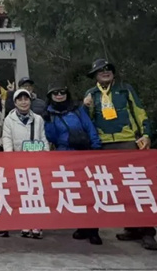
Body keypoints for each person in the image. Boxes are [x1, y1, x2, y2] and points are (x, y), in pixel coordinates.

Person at [82, 58, 157, 250]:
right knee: (111, 188)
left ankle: (147, 232)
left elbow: (140, 112)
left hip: (127, 142)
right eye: (100, 70)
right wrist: (85, 107)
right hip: (103, 145)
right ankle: (130, 227)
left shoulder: (125, 89)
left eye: (108, 69)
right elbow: (86, 122)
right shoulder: (91, 94)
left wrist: (146, 134)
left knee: (136, 186)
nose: (105, 72)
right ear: (95, 75)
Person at [44, 82, 102, 245]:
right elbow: (52, 137)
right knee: (74, 192)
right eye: (55, 93)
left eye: (62, 92)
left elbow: (90, 127)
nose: (59, 95)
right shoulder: (49, 115)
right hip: (65, 155)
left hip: (84, 153)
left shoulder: (77, 109)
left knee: (89, 191)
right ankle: (81, 226)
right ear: (50, 96)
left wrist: (96, 147)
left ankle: (93, 230)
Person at [2, 88, 49, 239]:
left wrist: (45, 155)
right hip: (18, 161)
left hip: (35, 160)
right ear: (15, 102)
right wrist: (10, 157)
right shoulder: (9, 120)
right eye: (20, 100)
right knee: (22, 192)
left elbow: (43, 138)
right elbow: (7, 139)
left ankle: (37, 224)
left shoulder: (38, 119)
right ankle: (25, 223)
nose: (23, 102)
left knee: (36, 192)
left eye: (26, 99)